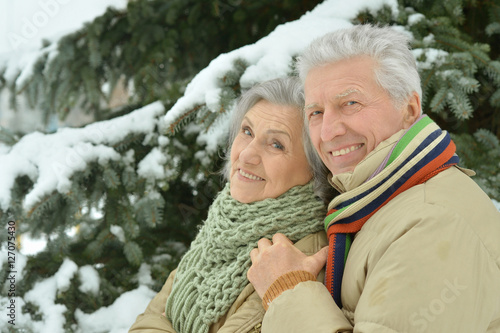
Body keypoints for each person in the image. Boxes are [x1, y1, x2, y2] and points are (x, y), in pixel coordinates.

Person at [247, 24, 500, 332]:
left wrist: (286, 292)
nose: (328, 132)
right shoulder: (376, 202)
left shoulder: (433, 221)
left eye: (350, 104)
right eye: (316, 112)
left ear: (409, 109)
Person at [129, 77, 333, 333]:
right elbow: (149, 320)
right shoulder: (224, 224)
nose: (246, 155)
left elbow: (161, 318)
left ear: (314, 170)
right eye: (247, 131)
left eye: (276, 144)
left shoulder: (299, 257)